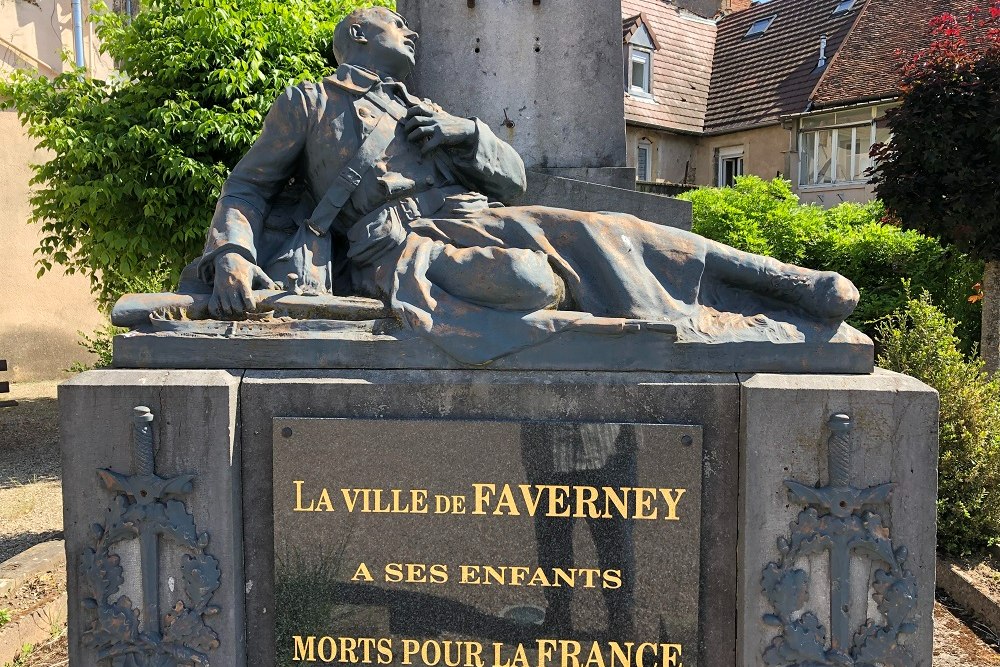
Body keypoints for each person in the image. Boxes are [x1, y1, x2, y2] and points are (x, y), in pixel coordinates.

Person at [195, 7, 859, 364]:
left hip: (480, 219)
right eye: (398, 25)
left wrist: (466, 134)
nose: (413, 31)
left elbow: (511, 181)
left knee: (615, 231)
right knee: (535, 283)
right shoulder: (311, 101)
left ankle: (786, 284)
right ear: (360, 35)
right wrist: (231, 256)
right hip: (401, 254)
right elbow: (247, 189)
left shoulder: (424, 110)